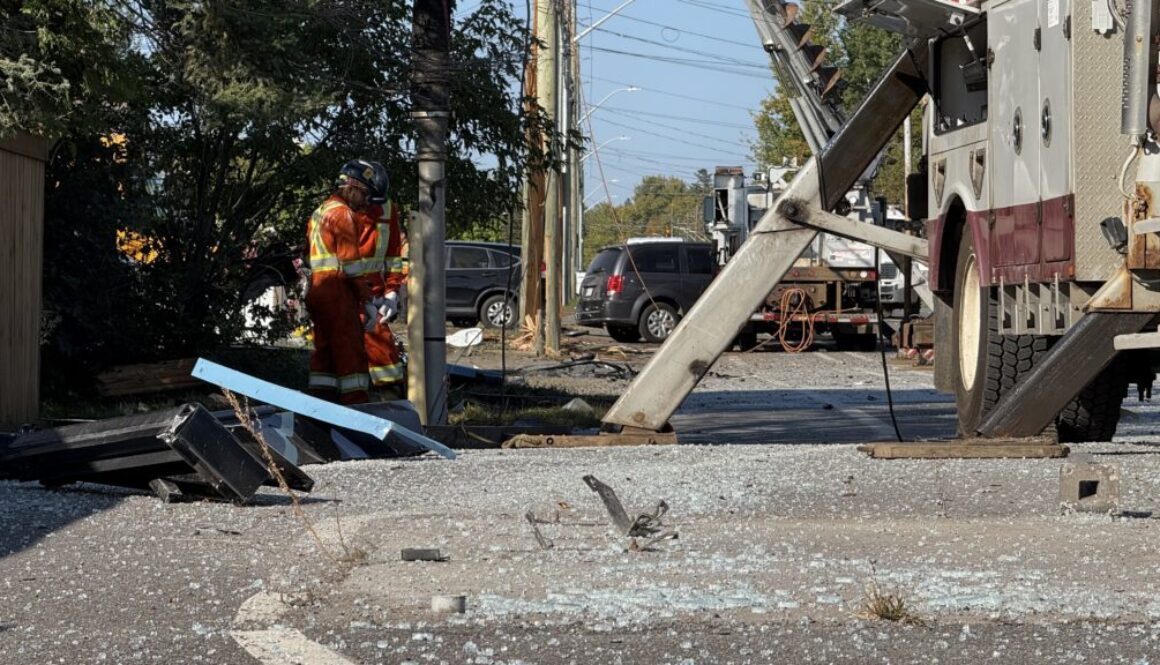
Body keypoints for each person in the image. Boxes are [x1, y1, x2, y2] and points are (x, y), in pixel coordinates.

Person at [304, 160, 379, 404]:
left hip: (318, 287)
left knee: (324, 352)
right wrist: (366, 300)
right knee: (349, 350)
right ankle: (357, 406)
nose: (366, 202)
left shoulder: (321, 211)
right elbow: (351, 264)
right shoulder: (343, 214)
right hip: (337, 290)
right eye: (365, 194)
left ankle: (320, 404)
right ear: (353, 187)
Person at [356, 162, 408, 399]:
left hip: (375, 296)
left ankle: (390, 404)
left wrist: (392, 292)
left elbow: (394, 255)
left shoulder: (386, 209)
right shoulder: (337, 212)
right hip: (347, 296)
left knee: (384, 356)